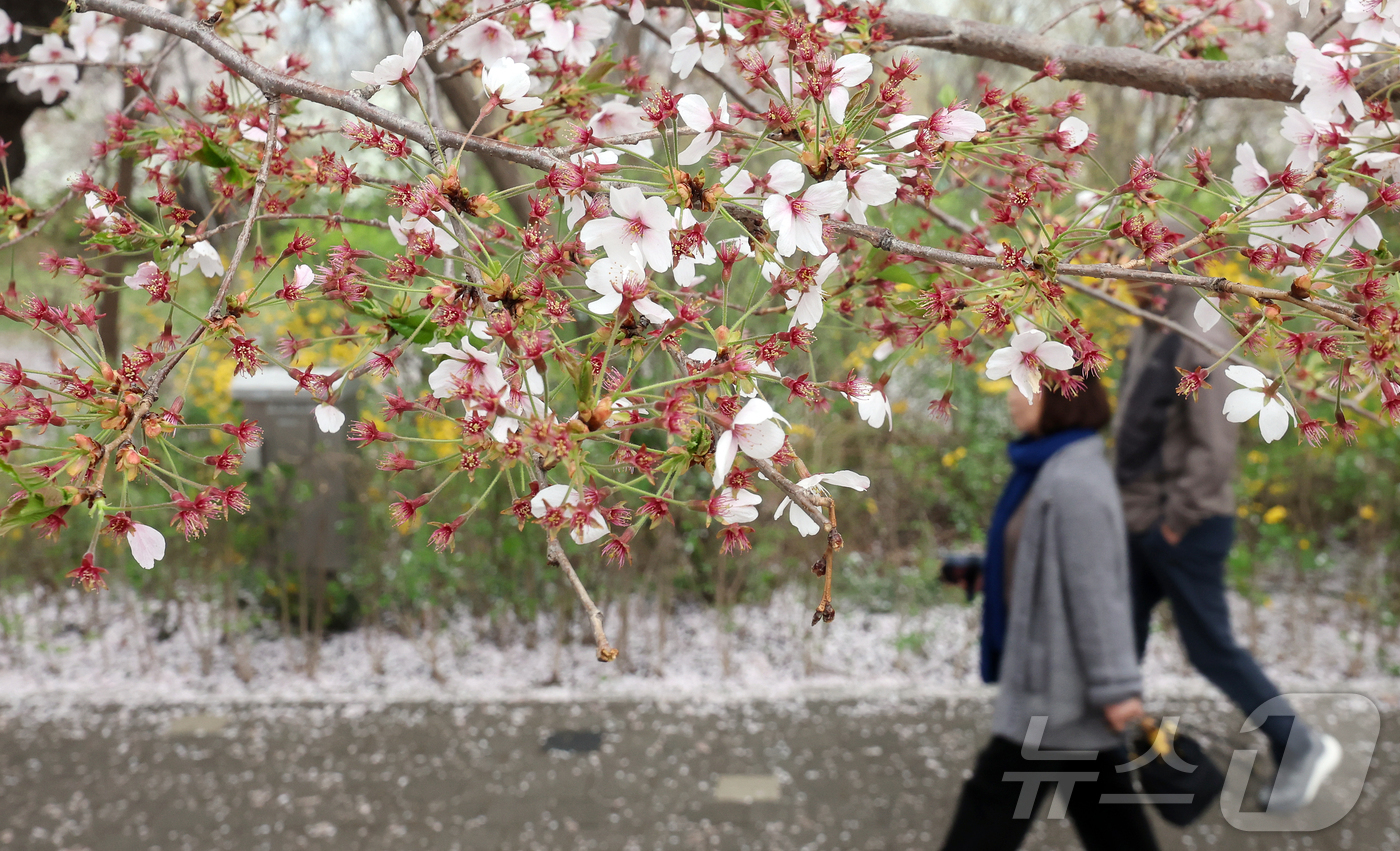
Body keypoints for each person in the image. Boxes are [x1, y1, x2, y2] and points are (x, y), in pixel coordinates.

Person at [1113, 284, 1340, 813]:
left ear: (1161, 270)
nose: (1117, 276)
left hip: (1182, 526)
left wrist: (1176, 521)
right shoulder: (1150, 324)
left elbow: (1214, 445)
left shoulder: (1196, 335)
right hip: (1144, 520)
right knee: (1116, 637)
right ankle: (1098, 752)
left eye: (1131, 263)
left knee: (1210, 648)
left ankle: (1301, 744)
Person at [940, 371, 1157, 851]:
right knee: (1112, 826)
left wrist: (1117, 687)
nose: (1013, 399)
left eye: (1024, 387)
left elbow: (1096, 588)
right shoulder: (1049, 469)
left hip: (1057, 689)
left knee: (989, 810)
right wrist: (984, 574)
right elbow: (1046, 563)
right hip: (1056, 687)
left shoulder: (1075, 478)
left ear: (1060, 397)